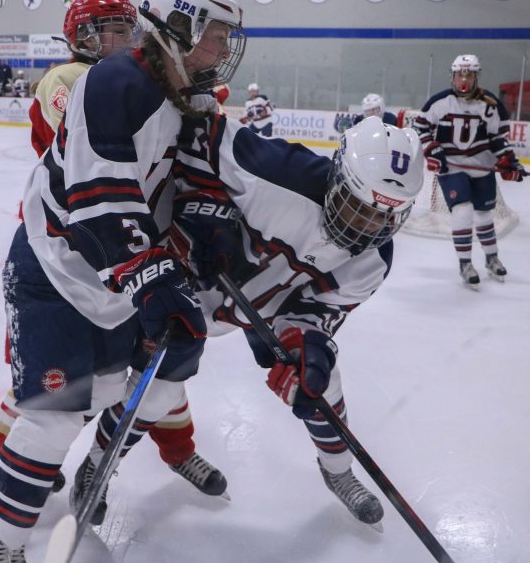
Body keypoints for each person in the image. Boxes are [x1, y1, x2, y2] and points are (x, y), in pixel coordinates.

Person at [0, 0, 246, 561]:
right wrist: (153, 273)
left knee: (128, 391)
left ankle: (95, 469)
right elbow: (98, 201)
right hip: (56, 270)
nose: (226, 48)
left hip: (116, 280)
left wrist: (208, 230)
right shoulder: (112, 82)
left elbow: (200, 177)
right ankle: (2, 547)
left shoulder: (191, 95)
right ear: (179, 24)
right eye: (217, 33)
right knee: (51, 420)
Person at [165, 113, 423, 531]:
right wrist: (205, 216)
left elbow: (316, 312)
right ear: (338, 176)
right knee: (148, 380)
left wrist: (310, 348)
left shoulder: (374, 259)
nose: (366, 227)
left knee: (321, 380)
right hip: (194, 274)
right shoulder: (276, 170)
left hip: (266, 306)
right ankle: (100, 463)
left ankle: (338, 471)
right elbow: (192, 135)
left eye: (383, 218)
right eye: (358, 207)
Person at [413, 53, 525, 288]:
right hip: (451, 168)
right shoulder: (440, 102)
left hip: (482, 168)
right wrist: (431, 149)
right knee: (462, 211)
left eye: (469, 74)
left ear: (477, 76)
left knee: (485, 216)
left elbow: (498, 139)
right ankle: (465, 263)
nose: (463, 79)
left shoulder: (490, 104)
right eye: (459, 74)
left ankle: (491, 258)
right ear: (452, 76)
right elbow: (421, 125)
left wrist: (509, 161)